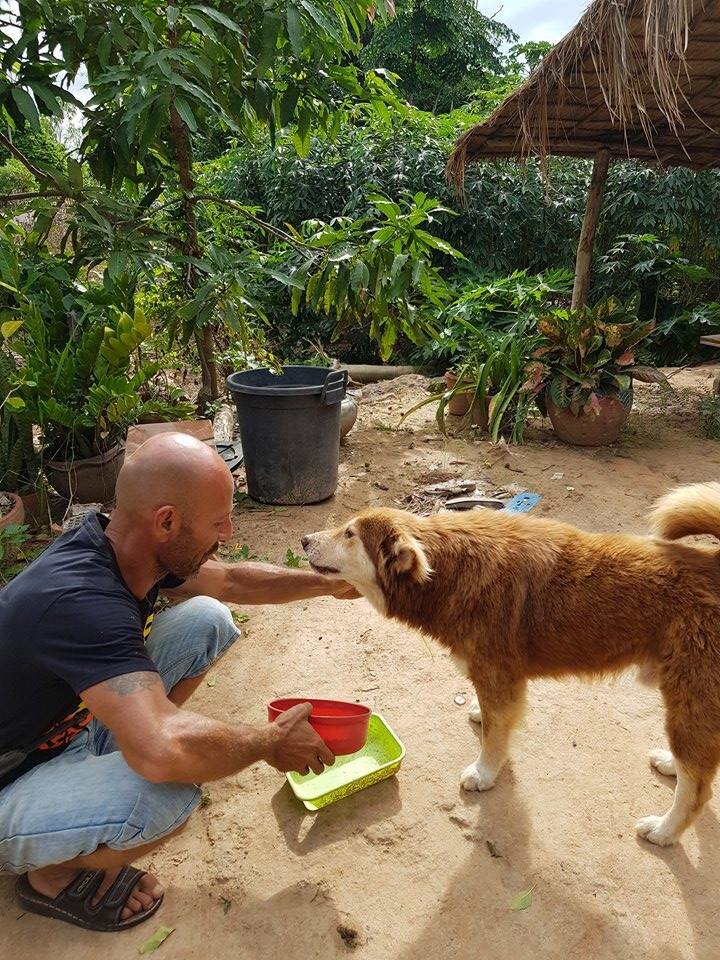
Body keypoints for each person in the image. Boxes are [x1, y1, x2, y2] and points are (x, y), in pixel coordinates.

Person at [0, 433, 357, 931]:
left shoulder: (129, 548)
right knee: (166, 790)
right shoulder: (82, 604)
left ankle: (115, 758)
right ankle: (51, 874)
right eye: (218, 522)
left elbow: (232, 580)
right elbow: (162, 756)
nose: (228, 533)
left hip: (63, 729)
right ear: (166, 522)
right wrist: (267, 744)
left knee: (207, 619)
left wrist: (332, 582)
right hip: (12, 778)